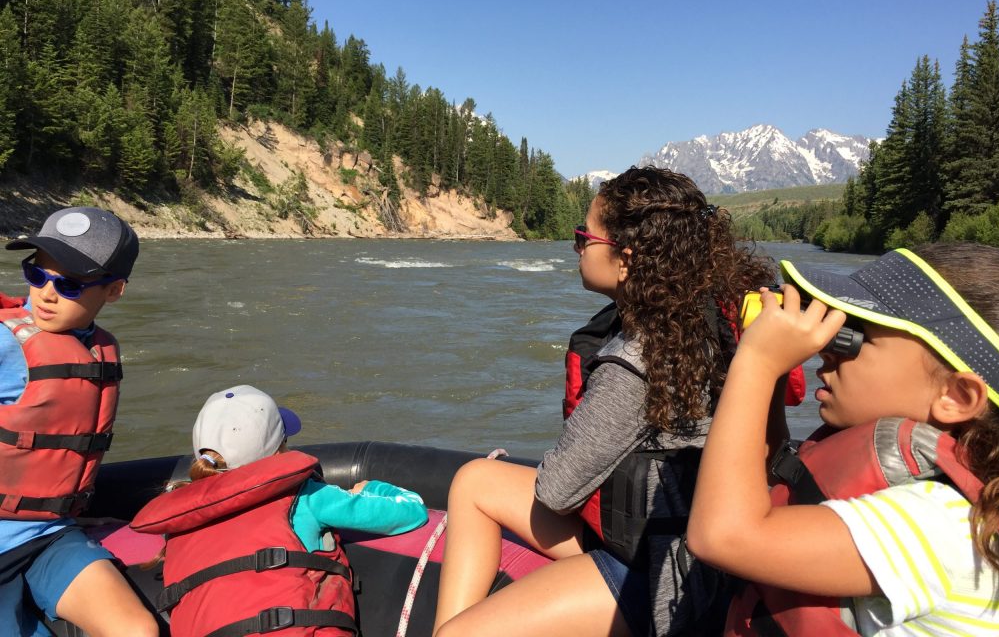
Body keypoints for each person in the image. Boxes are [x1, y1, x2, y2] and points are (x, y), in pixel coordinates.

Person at [433, 166, 781, 637]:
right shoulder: (715, 324)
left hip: (666, 581)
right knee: (475, 480)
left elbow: (556, 492)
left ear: (626, 260)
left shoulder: (635, 363)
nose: (577, 247)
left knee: (459, 634)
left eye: (584, 237)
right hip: (689, 550)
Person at [688, 242, 999, 636]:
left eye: (856, 335)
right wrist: (777, 368)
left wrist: (758, 362)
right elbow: (771, 473)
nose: (828, 352)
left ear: (956, 396)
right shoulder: (937, 484)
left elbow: (723, 536)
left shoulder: (943, 527)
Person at [131, 384, 429, 637]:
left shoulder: (181, 522)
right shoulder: (307, 496)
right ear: (278, 449)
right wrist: (372, 489)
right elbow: (411, 512)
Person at [0, 206, 156, 637]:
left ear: (114, 291)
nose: (46, 294)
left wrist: (65, 506)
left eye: (68, 284)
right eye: (37, 275)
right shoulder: (5, 342)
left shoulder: (98, 347)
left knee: (138, 630)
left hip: (49, 534)